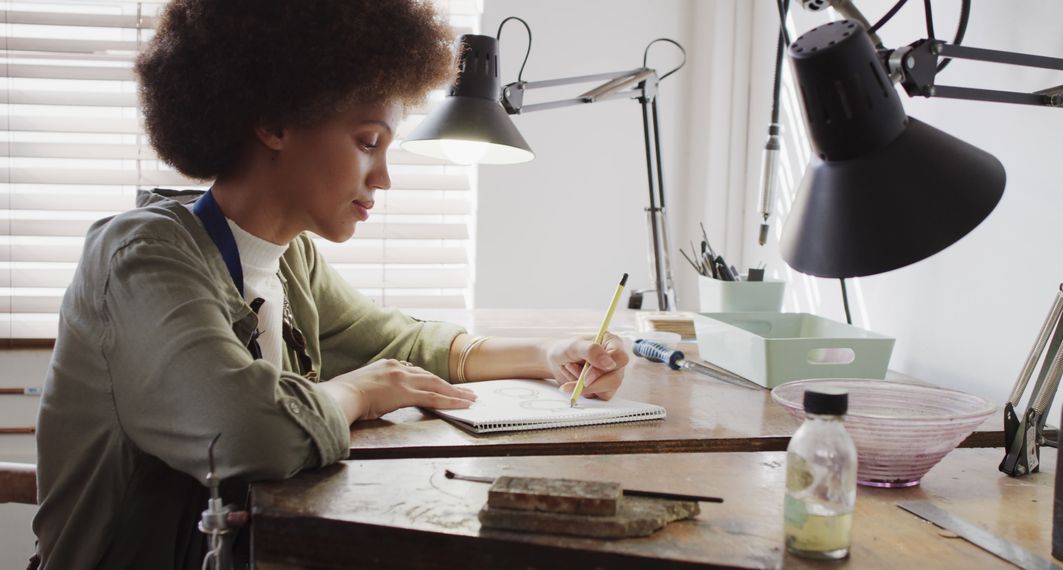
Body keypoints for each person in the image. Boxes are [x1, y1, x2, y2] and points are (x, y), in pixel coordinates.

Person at [31, 1, 629, 568]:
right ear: (274, 122)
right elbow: (244, 432)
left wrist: (552, 355)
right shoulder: (141, 258)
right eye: (368, 142)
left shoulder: (292, 261)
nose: (385, 177)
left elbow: (405, 345)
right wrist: (361, 393)